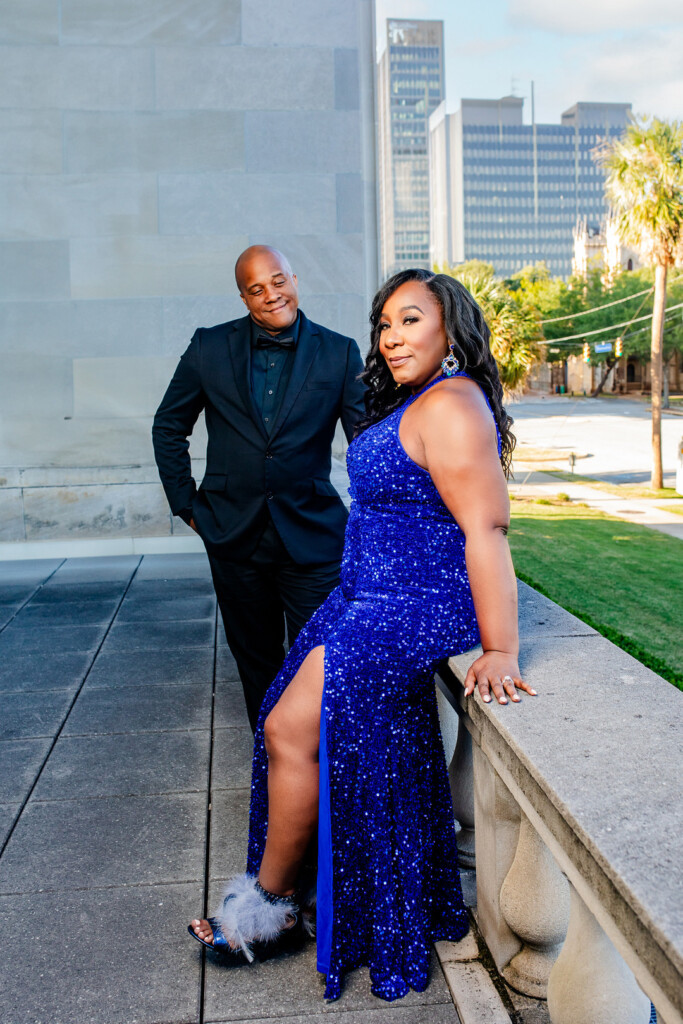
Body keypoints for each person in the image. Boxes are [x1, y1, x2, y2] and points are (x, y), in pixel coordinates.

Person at [188, 269, 537, 1001]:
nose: (391, 336)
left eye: (410, 320)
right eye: (384, 324)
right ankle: (281, 900)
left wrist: (499, 648)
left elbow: (486, 526)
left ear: (450, 331)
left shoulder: (451, 403)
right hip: (367, 596)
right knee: (285, 722)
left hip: (411, 604)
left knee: (290, 728)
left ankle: (270, 908)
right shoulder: (421, 399)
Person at [152, 245, 365, 730]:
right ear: (244, 297)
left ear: (294, 278)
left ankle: (326, 778)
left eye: (277, 281)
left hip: (312, 535)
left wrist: (374, 515)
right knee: (257, 665)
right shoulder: (209, 347)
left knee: (325, 661)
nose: (271, 295)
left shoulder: (339, 351)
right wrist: (186, 503)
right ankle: (273, 775)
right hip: (232, 533)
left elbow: (366, 444)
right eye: (256, 289)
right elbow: (168, 426)